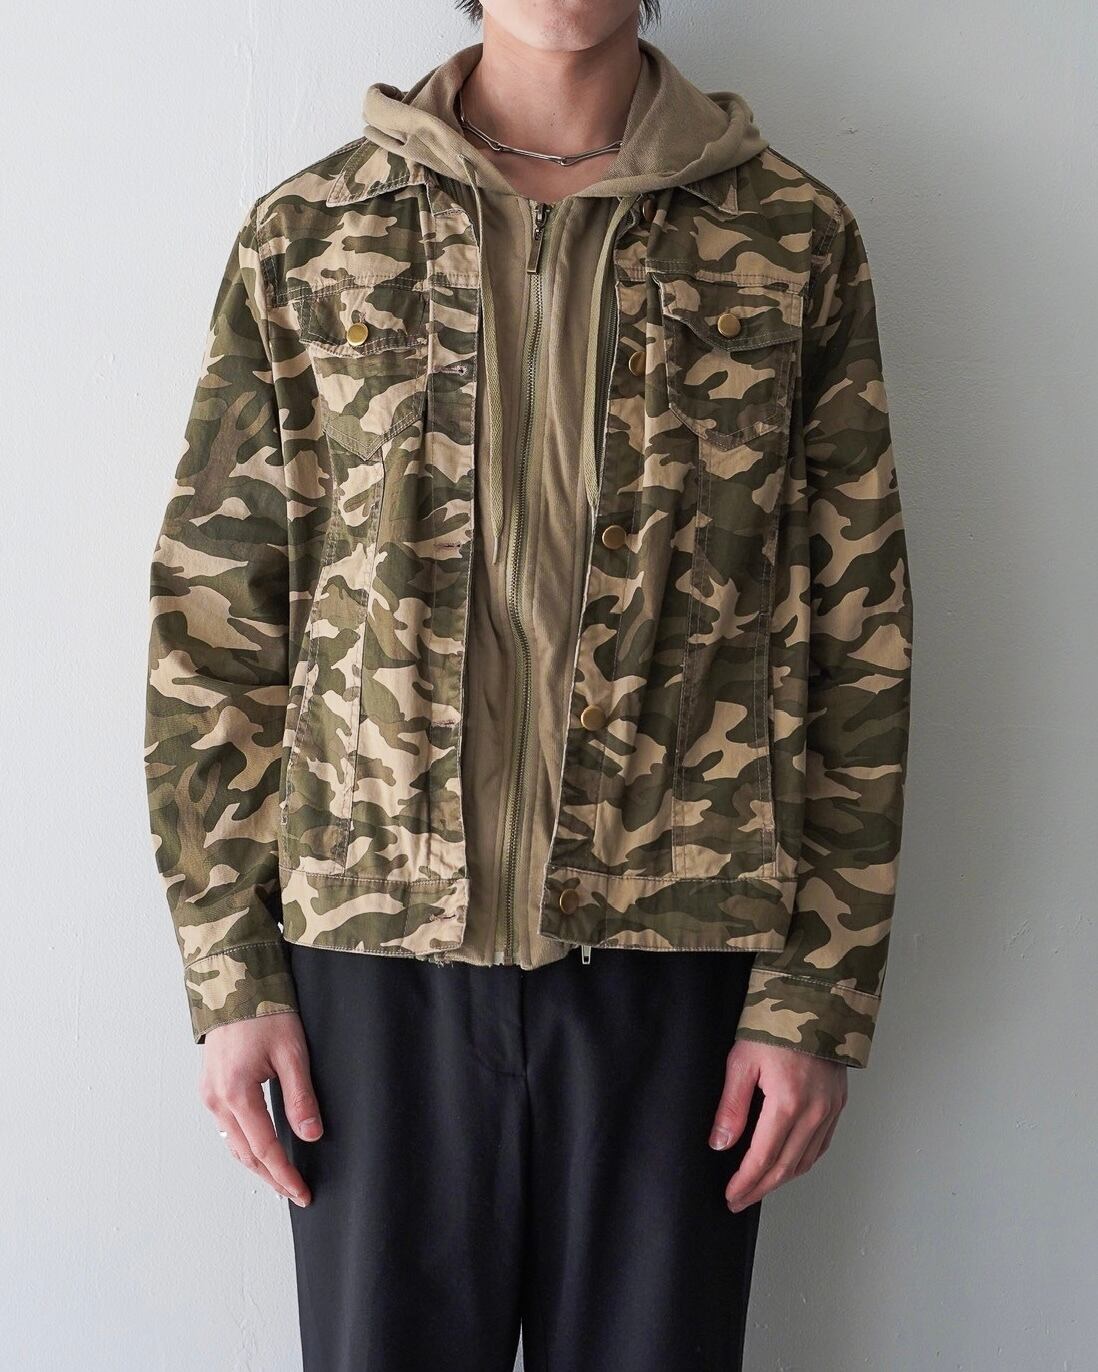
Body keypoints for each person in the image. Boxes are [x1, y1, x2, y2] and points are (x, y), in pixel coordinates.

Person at [144, 1, 914, 1367]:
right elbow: (217, 618)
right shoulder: (312, 232)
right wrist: (231, 971)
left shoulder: (789, 236)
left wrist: (814, 994)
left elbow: (859, 633)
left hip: (677, 955)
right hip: (369, 962)